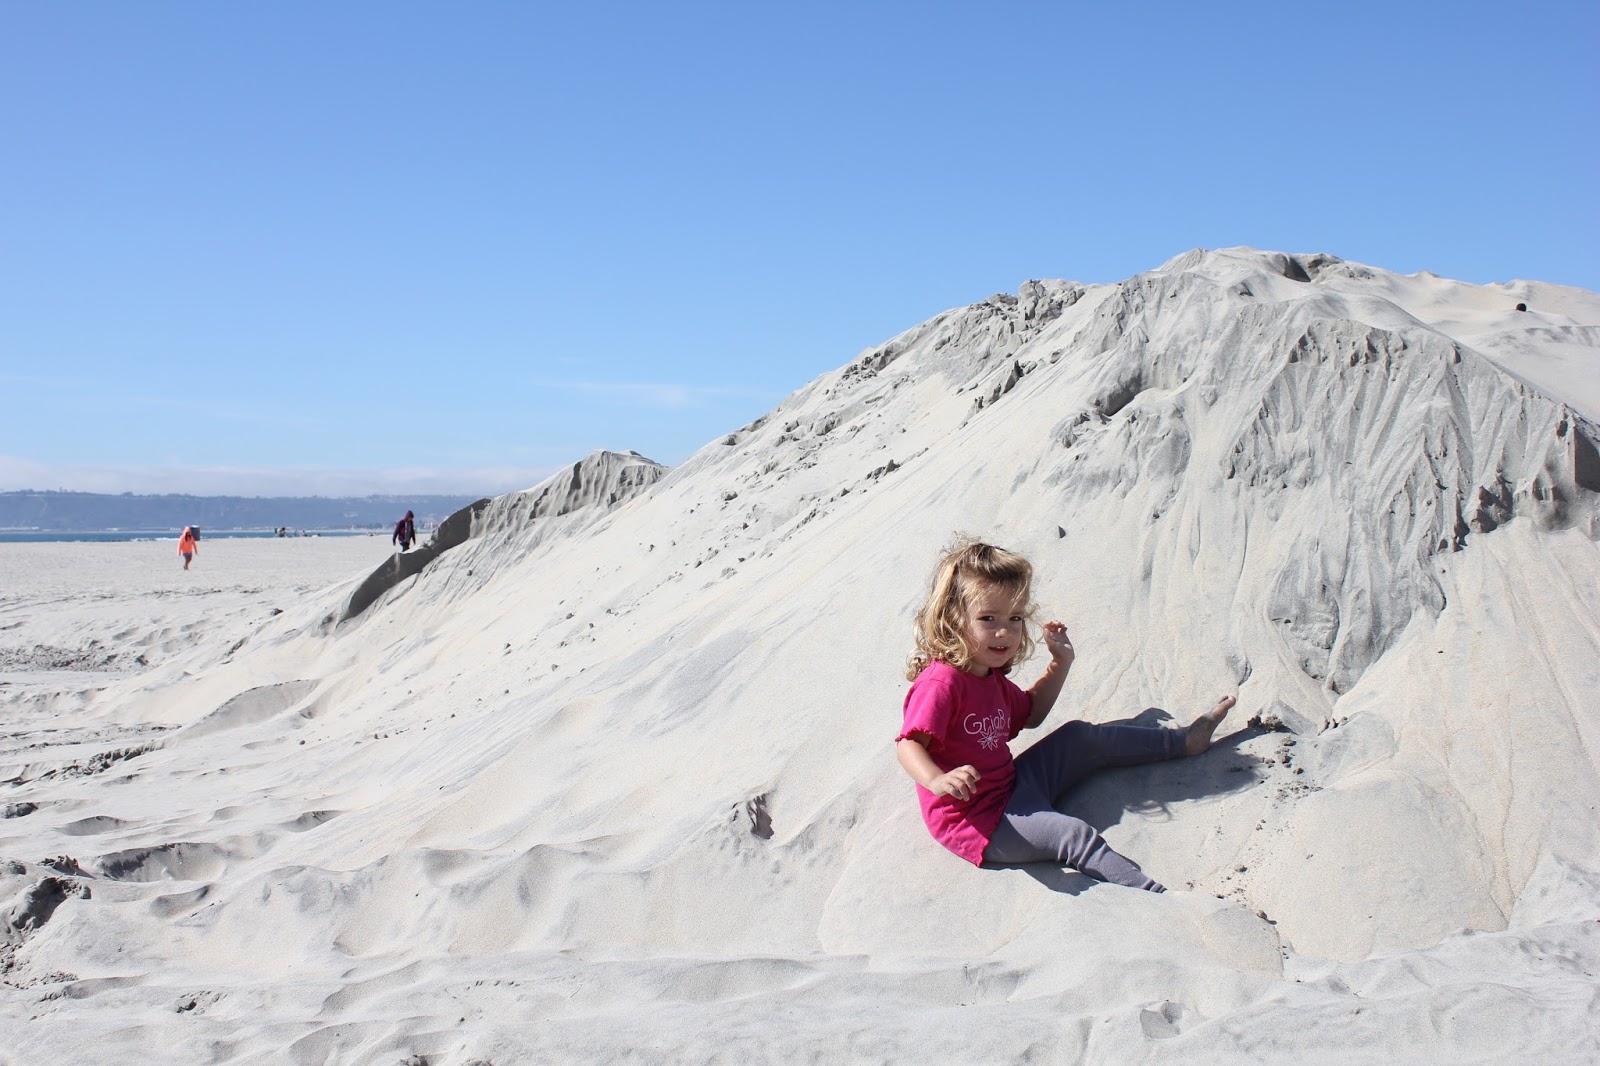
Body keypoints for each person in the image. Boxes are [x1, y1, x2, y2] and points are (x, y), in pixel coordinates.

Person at [894, 539, 1235, 892]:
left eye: (1015, 618)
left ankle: (1183, 742)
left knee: (1079, 737)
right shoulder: (942, 683)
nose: (1004, 631)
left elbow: (1031, 714)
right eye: (988, 618)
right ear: (953, 619)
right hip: (978, 821)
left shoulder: (988, 675)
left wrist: (1060, 663)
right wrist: (937, 780)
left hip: (1012, 784)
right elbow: (908, 745)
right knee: (1073, 834)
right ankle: (1156, 897)